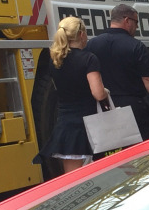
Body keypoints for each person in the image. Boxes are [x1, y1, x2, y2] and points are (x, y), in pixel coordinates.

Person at [39, 15, 110, 176]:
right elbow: (98, 93)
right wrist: (106, 92)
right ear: (82, 35)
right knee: (99, 175)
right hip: (90, 126)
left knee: (73, 180)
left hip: (66, 127)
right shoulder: (89, 59)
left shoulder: (55, 61)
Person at [87, 4, 149, 140]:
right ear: (126, 20)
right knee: (138, 149)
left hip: (103, 106)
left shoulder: (92, 44)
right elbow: (148, 78)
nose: (137, 27)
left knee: (110, 147)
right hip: (133, 107)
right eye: (136, 22)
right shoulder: (136, 46)